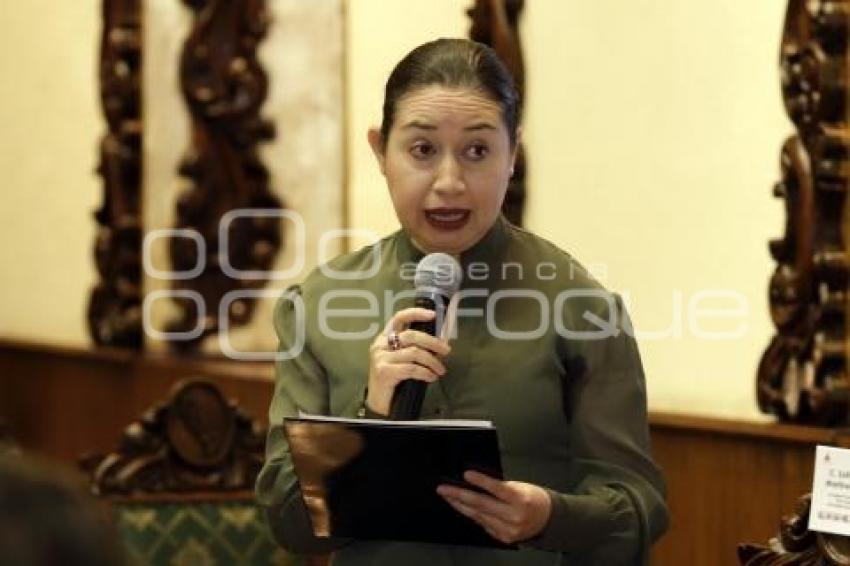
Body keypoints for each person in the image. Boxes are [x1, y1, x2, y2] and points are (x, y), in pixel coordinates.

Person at [256, 38, 668, 565]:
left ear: (513, 154)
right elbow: (289, 522)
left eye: (477, 151)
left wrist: (549, 516)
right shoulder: (317, 304)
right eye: (423, 150)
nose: (449, 183)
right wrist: (372, 416)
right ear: (381, 151)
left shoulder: (580, 304)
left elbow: (638, 510)